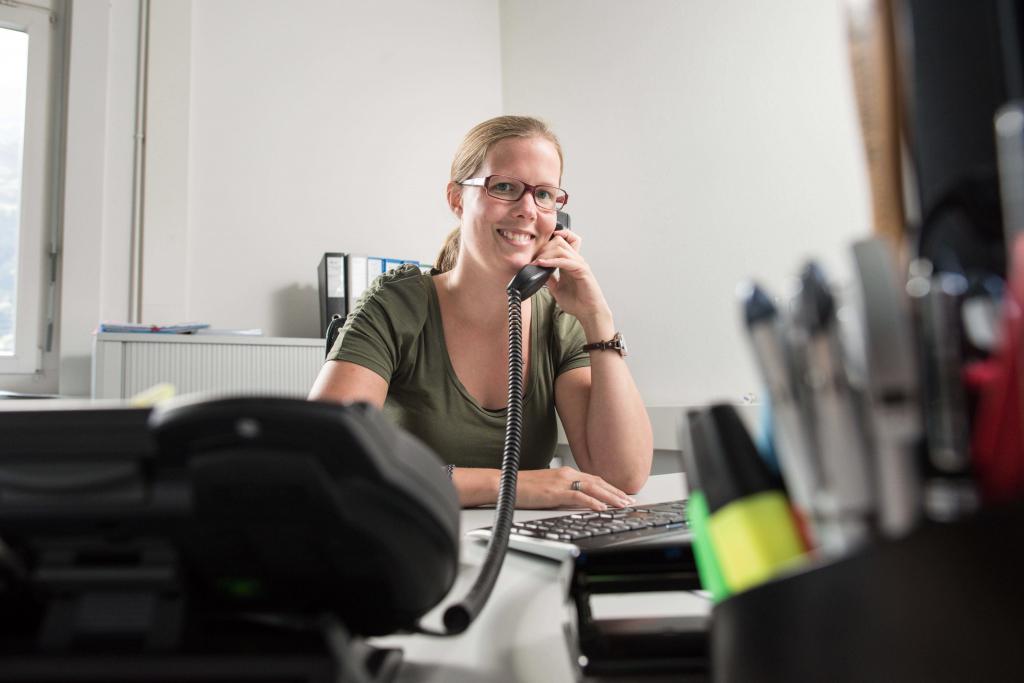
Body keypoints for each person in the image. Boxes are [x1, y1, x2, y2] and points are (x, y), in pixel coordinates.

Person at [309, 115, 652, 510]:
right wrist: (511, 486)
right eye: (504, 187)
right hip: (410, 538)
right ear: (457, 198)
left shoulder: (559, 318)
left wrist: (597, 317)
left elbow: (623, 474)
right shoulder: (396, 304)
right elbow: (325, 456)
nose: (528, 210)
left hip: (522, 545)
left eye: (544, 194)